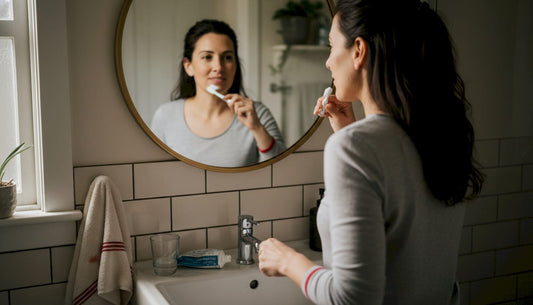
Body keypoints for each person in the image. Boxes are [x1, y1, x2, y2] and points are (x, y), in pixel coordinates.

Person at [258, 0, 484, 304]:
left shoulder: (355, 147)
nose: (327, 62)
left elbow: (353, 298)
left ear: (358, 51)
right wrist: (348, 129)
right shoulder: (445, 133)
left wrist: (288, 261)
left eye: (331, 45)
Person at [151, 19, 285, 167]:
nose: (218, 67)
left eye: (227, 57)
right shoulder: (164, 116)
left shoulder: (257, 114)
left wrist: (257, 129)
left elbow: (281, 170)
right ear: (188, 67)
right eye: (207, 57)